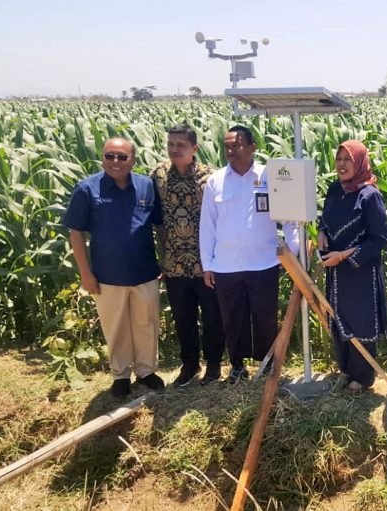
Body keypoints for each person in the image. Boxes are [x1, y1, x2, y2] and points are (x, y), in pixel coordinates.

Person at [63, 137, 165, 398]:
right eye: (110, 156)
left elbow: (160, 226)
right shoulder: (87, 189)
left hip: (144, 272)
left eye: (122, 157)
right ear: (102, 158)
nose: (115, 162)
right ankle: (121, 374)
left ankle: (146, 371)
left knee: (146, 324)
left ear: (133, 159)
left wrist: (164, 261)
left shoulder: (146, 186)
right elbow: (76, 233)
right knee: (115, 326)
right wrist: (85, 274)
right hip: (107, 275)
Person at [199, 126, 299, 383]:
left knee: (265, 317)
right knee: (233, 318)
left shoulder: (270, 176)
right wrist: (207, 263)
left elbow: (290, 217)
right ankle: (237, 366)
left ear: (253, 147)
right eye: (228, 146)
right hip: (226, 264)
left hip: (263, 261)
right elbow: (207, 225)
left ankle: (267, 364)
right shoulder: (216, 181)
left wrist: (293, 250)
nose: (231, 151)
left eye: (238, 145)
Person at [151, 124, 228, 386]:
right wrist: (162, 256)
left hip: (205, 264)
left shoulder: (211, 178)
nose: (174, 150)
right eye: (171, 144)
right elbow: (157, 221)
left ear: (194, 148)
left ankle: (215, 365)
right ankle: (190, 364)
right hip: (174, 264)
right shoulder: (159, 175)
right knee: (183, 317)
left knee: (212, 316)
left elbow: (221, 221)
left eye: (180, 145)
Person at [318, 140, 387, 394]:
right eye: (338, 159)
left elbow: (378, 240)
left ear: (359, 162)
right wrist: (322, 232)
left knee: (360, 322)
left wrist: (345, 256)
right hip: (335, 270)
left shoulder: (370, 195)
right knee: (339, 318)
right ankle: (346, 370)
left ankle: (362, 377)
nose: (342, 164)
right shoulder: (335, 189)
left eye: (348, 159)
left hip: (360, 273)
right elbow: (324, 218)